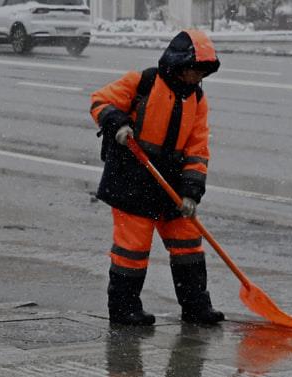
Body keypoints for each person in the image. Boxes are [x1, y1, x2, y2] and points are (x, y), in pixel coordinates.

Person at [89, 29, 224, 326]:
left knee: (188, 243)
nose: (197, 77)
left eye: (203, 72)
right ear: (179, 63)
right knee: (132, 250)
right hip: (131, 178)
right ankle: (124, 310)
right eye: (194, 69)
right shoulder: (144, 82)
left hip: (170, 182)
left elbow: (197, 149)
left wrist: (191, 192)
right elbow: (100, 101)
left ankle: (195, 307)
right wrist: (118, 123)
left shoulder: (197, 99)